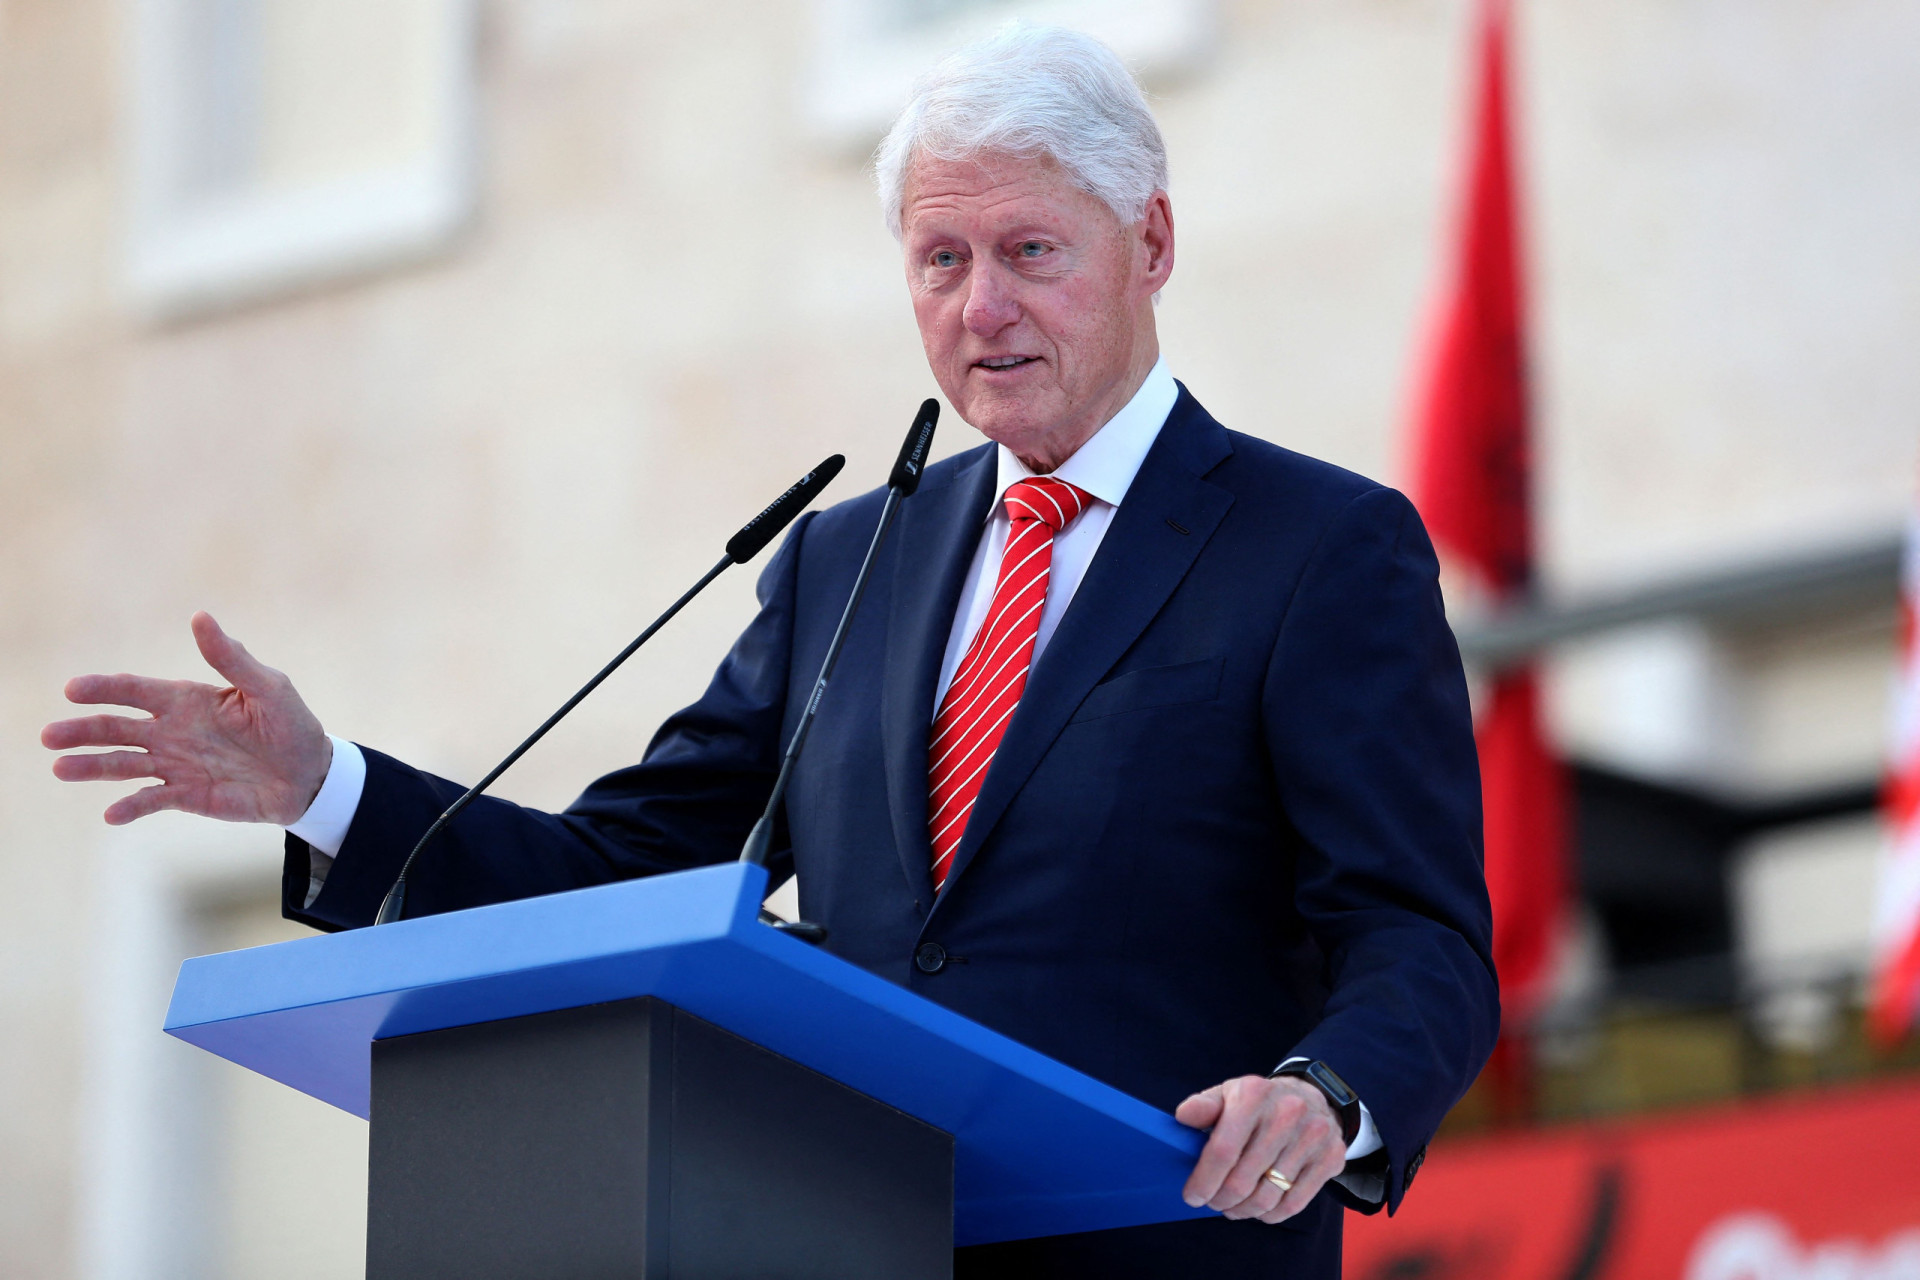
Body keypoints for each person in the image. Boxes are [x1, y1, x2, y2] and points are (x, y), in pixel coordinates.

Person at [44, 24, 1496, 1277]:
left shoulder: (1320, 548)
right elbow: (623, 874)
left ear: (1152, 245)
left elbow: (1418, 934)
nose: (981, 308)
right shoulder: (844, 563)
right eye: (940, 259)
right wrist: (327, 790)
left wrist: (1326, 1094)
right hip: (837, 1237)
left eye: (1030, 253)